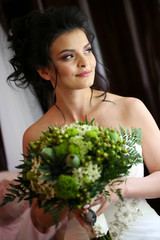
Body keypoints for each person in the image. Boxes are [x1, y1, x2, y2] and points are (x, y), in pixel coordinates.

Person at [7, 6, 160, 240]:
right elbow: (40, 221)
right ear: (44, 71)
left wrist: (121, 187)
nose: (85, 62)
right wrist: (69, 200)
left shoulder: (130, 108)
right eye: (69, 56)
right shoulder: (36, 135)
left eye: (87, 50)